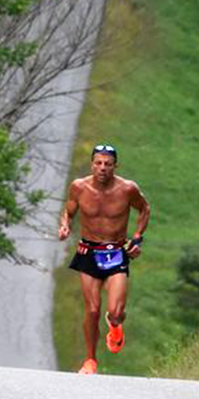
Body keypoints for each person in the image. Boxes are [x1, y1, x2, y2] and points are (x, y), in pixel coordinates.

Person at [58, 144, 151, 375]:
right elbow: (69, 211)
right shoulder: (79, 187)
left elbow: (145, 209)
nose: (102, 168)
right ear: (92, 164)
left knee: (116, 311)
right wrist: (64, 226)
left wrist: (137, 239)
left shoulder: (127, 189)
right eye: (98, 163)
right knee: (92, 310)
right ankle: (90, 361)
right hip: (88, 252)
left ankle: (116, 326)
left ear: (115, 166)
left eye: (108, 164)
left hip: (116, 252)